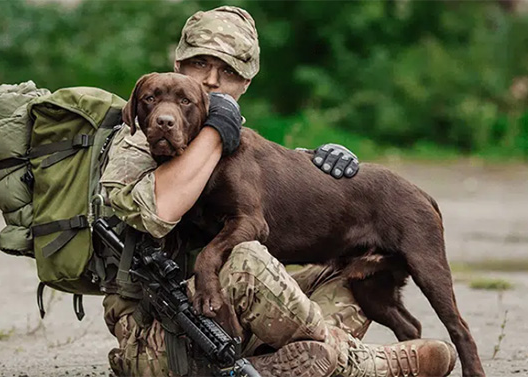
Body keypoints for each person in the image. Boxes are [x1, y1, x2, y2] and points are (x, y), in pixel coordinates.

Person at [99, 6, 457, 377]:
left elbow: (268, 188)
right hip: (161, 337)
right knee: (247, 257)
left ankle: (265, 366)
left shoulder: (224, 137)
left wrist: (319, 166)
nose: (211, 81)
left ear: (245, 84)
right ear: (178, 66)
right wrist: (216, 133)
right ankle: (363, 363)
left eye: (229, 72)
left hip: (230, 319)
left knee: (345, 270)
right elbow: (157, 210)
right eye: (200, 64)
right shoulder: (139, 139)